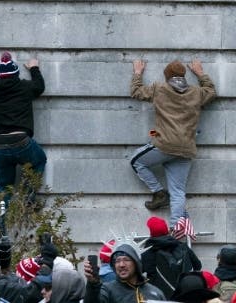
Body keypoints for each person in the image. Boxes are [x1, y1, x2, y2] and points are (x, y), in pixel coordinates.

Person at [129, 59, 217, 225]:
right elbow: (211, 91)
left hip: (164, 145)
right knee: (178, 192)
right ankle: (176, 229)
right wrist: (200, 74)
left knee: (136, 161)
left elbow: (136, 91)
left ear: (166, 76)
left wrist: (138, 73)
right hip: (186, 149)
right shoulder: (196, 92)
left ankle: (159, 193)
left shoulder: (159, 88)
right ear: (184, 75)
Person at [0, 52, 48, 204]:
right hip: (21, 141)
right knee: (39, 160)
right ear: (16, 73)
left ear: (0, 75)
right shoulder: (25, 87)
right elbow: (39, 86)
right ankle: (28, 197)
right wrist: (34, 68)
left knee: (4, 187)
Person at [82, 242, 165, 303]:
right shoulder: (107, 290)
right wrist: (93, 284)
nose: (121, 265)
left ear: (136, 263)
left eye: (126, 260)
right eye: (117, 261)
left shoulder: (155, 292)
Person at [139, 217, 202, 298]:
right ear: (167, 231)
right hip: (184, 296)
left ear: (151, 234)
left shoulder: (148, 254)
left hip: (160, 298)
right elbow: (198, 266)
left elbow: (136, 273)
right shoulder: (183, 247)